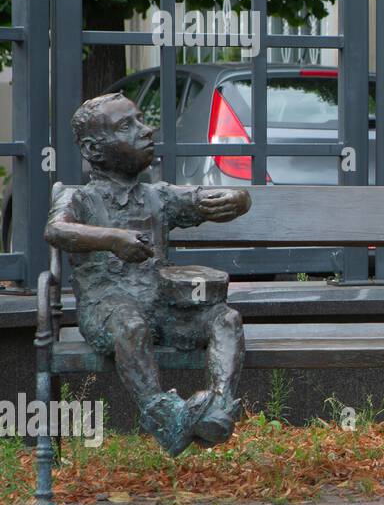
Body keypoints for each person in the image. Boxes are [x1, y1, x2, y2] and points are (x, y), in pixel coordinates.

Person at [45, 93, 252, 456]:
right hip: (108, 310)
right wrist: (112, 239)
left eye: (141, 120)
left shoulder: (158, 196)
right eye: (128, 126)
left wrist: (238, 198)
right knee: (131, 326)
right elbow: (57, 231)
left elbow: (202, 197)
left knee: (226, 319)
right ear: (94, 150)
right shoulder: (79, 198)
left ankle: (219, 408)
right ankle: (164, 418)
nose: (147, 129)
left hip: (161, 306)